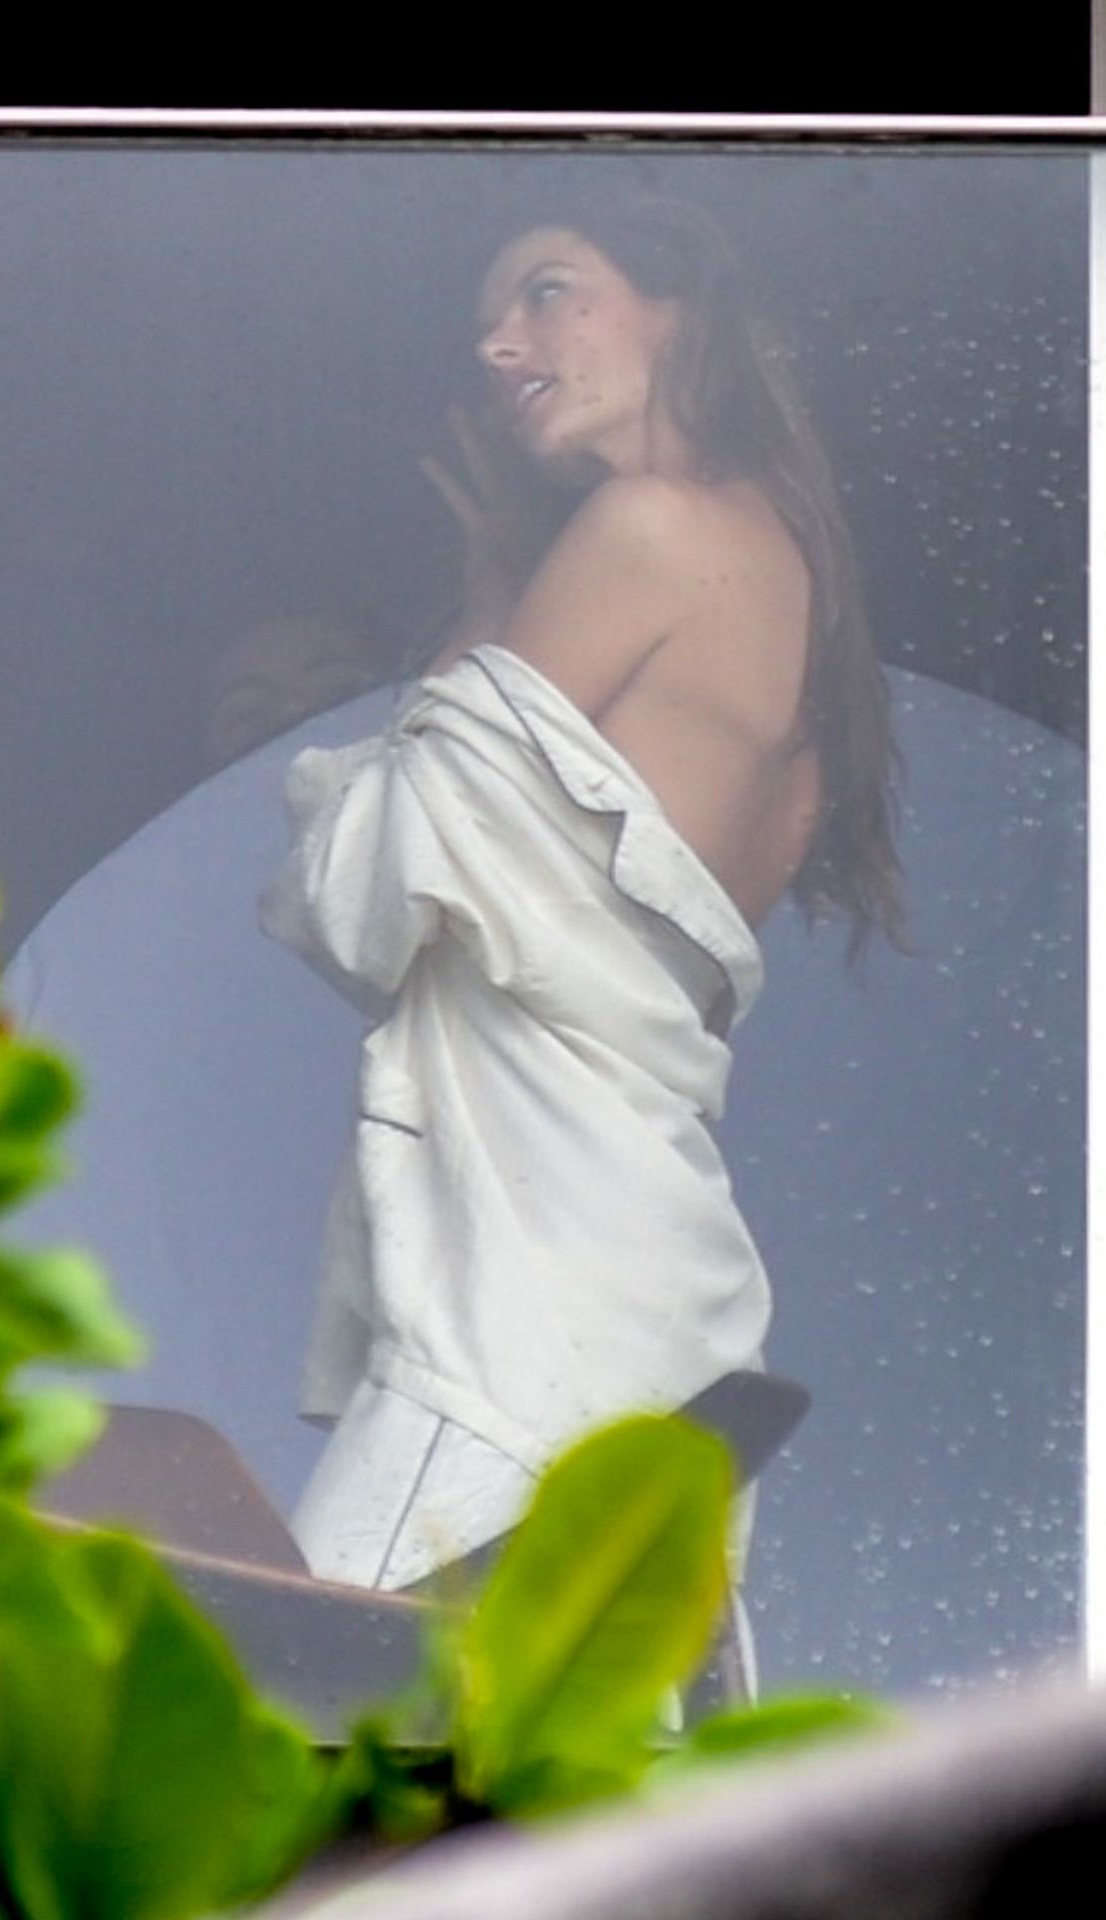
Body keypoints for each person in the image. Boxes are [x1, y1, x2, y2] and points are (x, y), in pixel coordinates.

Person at [261, 194, 903, 1610]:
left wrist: (492, 599)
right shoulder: (793, 619)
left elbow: (367, 885)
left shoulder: (645, 526)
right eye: (490, 319)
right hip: (650, 1284)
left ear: (684, 308)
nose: (500, 345)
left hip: (528, 1297)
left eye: (547, 292)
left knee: (310, 1689)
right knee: (566, 1723)